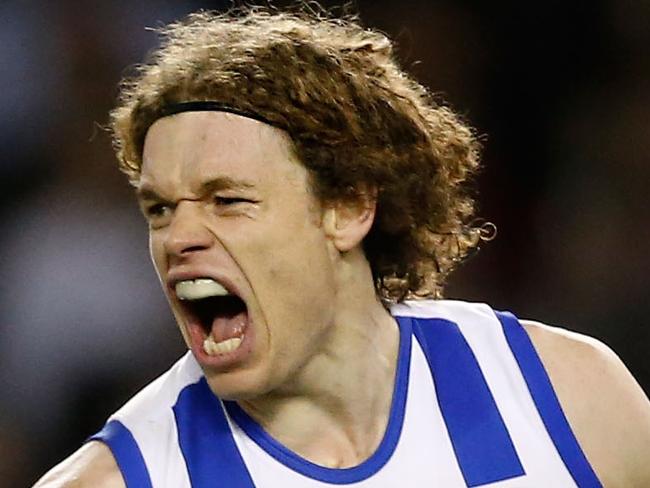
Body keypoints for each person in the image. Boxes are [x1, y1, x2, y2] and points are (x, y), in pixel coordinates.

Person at [35, 6, 650, 488]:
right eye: (160, 209)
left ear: (350, 207)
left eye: (228, 200)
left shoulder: (565, 395)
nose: (179, 238)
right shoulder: (116, 479)